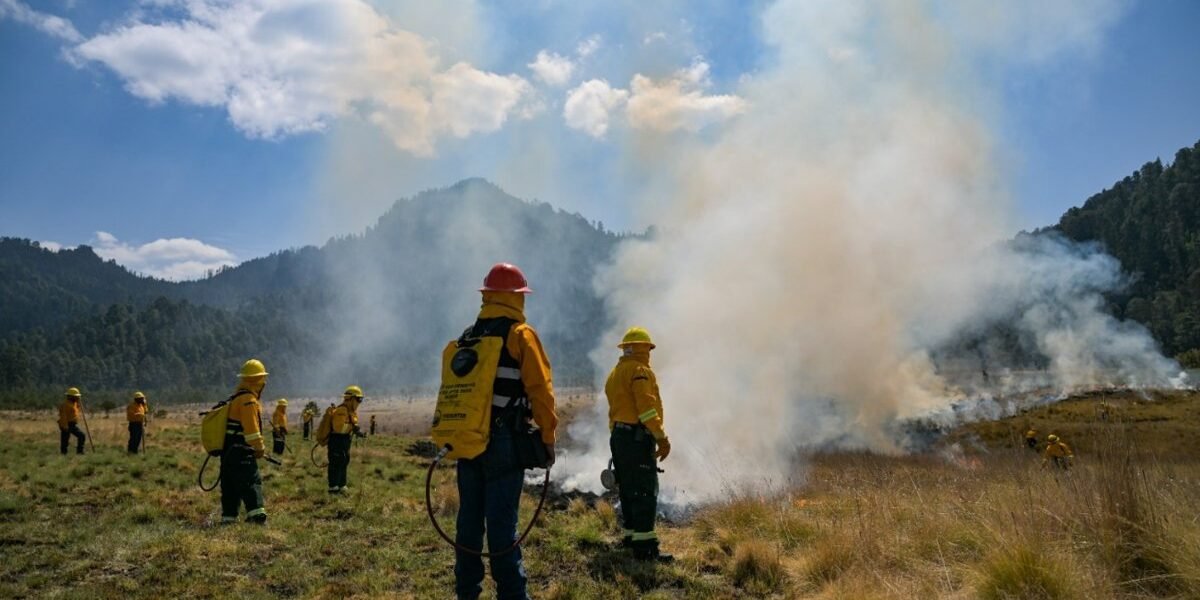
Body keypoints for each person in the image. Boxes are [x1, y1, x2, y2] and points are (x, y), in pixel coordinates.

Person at [452, 263, 558, 600]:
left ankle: (466, 593)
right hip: (503, 442)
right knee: (502, 527)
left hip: (467, 441)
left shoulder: (467, 337)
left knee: (468, 523)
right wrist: (548, 438)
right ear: (516, 298)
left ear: (487, 296)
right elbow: (541, 392)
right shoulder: (520, 335)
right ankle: (513, 595)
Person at [604, 326, 673, 562]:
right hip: (636, 438)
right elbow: (646, 409)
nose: (650, 353)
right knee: (644, 489)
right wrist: (661, 437)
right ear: (643, 349)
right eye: (648, 349)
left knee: (627, 489)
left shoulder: (616, 373)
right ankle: (646, 550)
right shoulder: (640, 371)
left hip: (619, 438)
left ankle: (631, 538)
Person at [221, 359, 269, 524]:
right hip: (242, 450)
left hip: (228, 451)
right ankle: (257, 518)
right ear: (258, 381)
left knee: (230, 485)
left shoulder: (236, 397)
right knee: (251, 480)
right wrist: (259, 448)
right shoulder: (248, 400)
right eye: (263, 379)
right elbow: (252, 430)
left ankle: (228, 519)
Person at [327, 386, 364, 494]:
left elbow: (350, 425)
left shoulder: (351, 411)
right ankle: (333, 487)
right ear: (351, 398)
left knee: (344, 461)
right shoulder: (341, 410)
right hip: (337, 440)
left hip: (345, 441)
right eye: (359, 399)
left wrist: (357, 431)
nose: (359, 402)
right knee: (336, 462)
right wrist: (352, 428)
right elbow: (339, 428)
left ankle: (342, 485)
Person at [57, 387, 87, 455]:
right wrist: (65, 426)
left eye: (77, 396)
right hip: (66, 424)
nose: (77, 398)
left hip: (72, 424)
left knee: (82, 436)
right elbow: (63, 416)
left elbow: (75, 411)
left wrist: (78, 404)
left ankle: (80, 452)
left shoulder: (74, 403)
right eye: (76, 396)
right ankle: (63, 454)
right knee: (65, 440)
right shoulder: (65, 405)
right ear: (71, 396)